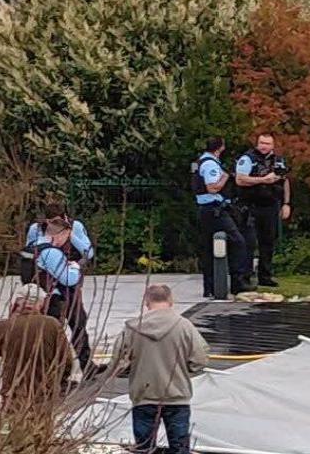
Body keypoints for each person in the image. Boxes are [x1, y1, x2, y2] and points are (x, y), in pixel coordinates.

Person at [111, 284, 209, 454]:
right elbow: (200, 359)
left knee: (144, 448)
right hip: (176, 396)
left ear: (146, 302)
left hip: (143, 396)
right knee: (179, 449)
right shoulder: (184, 326)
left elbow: (117, 364)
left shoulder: (132, 328)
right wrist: (185, 371)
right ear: (171, 300)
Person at [28, 203, 95, 373]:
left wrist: (70, 235)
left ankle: (86, 363)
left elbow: (89, 253)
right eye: (51, 222)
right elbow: (28, 251)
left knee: (79, 321)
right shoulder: (36, 230)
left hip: (69, 285)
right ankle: (55, 368)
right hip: (48, 286)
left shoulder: (75, 227)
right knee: (51, 327)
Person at [0, 283, 74, 414]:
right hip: (43, 393)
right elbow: (66, 361)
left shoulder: (3, 326)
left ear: (17, 303)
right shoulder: (52, 325)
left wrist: (12, 317)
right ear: (41, 304)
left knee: (9, 429)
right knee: (40, 429)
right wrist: (59, 381)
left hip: (12, 394)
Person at [193, 136, 252, 296]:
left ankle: (210, 288)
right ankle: (238, 283)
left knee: (208, 248)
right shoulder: (211, 164)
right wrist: (226, 176)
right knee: (238, 242)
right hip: (214, 210)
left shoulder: (200, 162)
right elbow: (212, 188)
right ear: (220, 148)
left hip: (206, 209)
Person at [235, 132, 290, 287]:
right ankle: (244, 277)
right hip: (250, 206)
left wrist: (286, 203)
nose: (264, 146)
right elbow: (240, 179)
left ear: (273, 145)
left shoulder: (278, 161)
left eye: (267, 144)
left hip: (270, 206)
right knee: (249, 243)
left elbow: (285, 181)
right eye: (262, 143)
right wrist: (262, 180)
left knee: (268, 242)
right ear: (257, 144)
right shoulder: (248, 159)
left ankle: (265, 276)